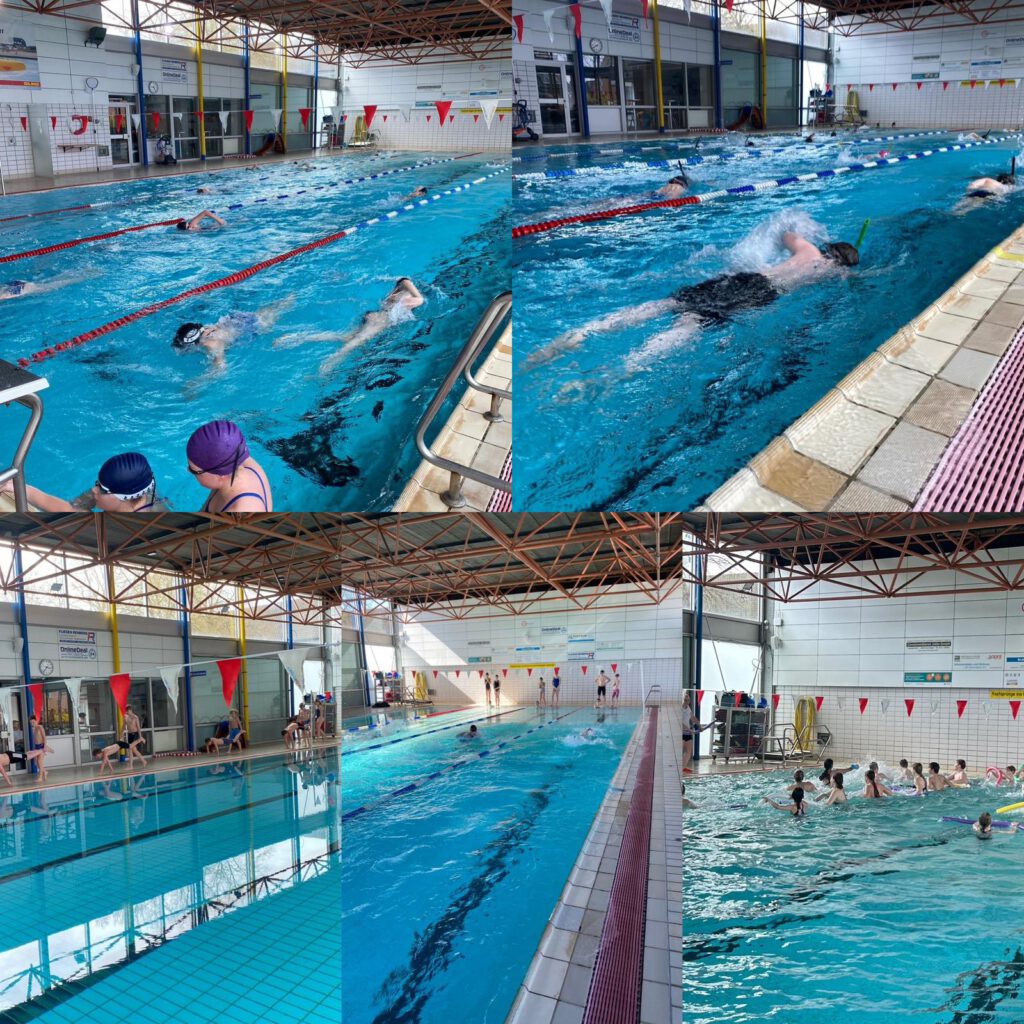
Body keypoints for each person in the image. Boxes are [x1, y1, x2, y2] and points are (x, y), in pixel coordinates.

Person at [525, 228, 860, 373]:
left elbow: (786, 234)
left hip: (745, 278)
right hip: (759, 293)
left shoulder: (808, 250)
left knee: (667, 305)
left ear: (828, 248)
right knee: (690, 324)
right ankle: (625, 367)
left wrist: (811, 235)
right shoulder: (832, 272)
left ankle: (587, 330)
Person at [273, 279, 425, 374]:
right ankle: (328, 364)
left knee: (344, 337)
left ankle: (298, 337)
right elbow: (411, 288)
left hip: (375, 316)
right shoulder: (408, 296)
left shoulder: (396, 295)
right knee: (353, 344)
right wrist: (415, 291)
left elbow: (401, 282)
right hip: (381, 320)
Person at [3, 452, 163, 513]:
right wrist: (15, 487)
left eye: (102, 489)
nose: (94, 490)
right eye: (97, 483)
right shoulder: (141, 488)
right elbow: (68, 508)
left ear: (123, 497)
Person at [173, 296, 294, 370]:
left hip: (251, 327)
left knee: (276, 314)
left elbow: (221, 368)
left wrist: (195, 384)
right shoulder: (206, 327)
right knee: (278, 307)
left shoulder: (211, 344)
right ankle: (290, 298)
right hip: (236, 319)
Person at [186, 420, 273, 512]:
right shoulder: (238, 459)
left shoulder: (242, 509)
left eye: (193, 471)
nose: (188, 470)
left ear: (220, 475)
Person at [681, 692, 713, 774]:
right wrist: (689, 729)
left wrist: (700, 726)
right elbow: (679, 722)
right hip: (681, 733)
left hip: (688, 733)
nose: (686, 701)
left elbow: (693, 718)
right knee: (680, 751)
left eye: (688, 700)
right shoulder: (679, 708)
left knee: (688, 751)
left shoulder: (688, 708)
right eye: (685, 700)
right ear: (682, 700)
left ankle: (683, 767)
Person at [23, 716, 52, 782]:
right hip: (37, 747)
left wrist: (44, 747)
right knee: (36, 763)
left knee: (39, 762)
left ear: (36, 721)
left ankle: (40, 777)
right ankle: (45, 772)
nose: (32, 724)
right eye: (31, 723)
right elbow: (36, 740)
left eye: (33, 722)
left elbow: (44, 738)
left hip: (41, 746)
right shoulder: (34, 729)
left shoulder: (40, 727)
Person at [123, 705, 147, 769]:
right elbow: (123, 726)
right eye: (126, 711)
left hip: (135, 734)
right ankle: (144, 761)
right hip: (130, 735)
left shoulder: (135, 717)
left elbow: (138, 727)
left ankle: (131, 766)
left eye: (127, 711)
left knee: (130, 748)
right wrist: (121, 734)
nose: (127, 713)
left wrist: (140, 736)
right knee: (134, 750)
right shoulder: (126, 717)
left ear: (130, 710)